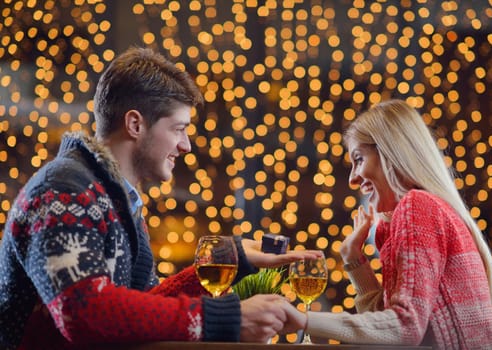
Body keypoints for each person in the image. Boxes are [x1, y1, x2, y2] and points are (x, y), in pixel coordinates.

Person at [0, 47, 315, 349]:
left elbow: (143, 309)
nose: (186, 146)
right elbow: (85, 313)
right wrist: (228, 318)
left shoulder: (117, 200)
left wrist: (226, 260)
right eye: (179, 129)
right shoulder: (64, 191)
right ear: (135, 124)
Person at [304, 100, 492, 349]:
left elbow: (405, 327)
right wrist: (353, 259)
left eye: (358, 159)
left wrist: (301, 319)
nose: (353, 178)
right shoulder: (413, 216)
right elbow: (391, 327)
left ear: (390, 151)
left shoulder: (418, 207)